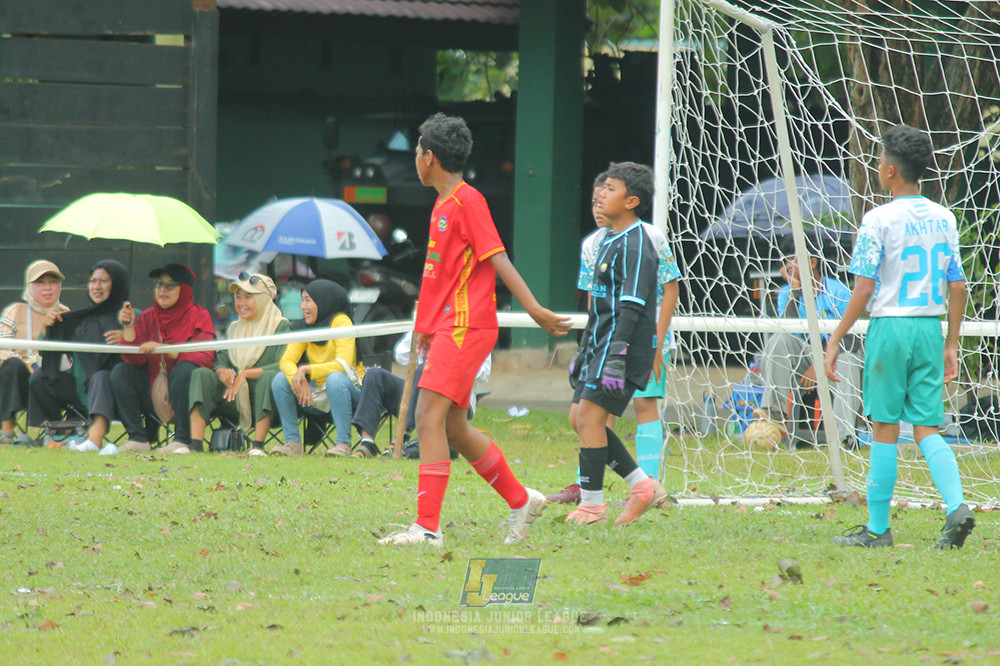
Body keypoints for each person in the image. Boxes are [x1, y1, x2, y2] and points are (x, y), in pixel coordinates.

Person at [377, 113, 571, 546]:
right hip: (447, 326)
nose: (414, 159)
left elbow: (498, 259)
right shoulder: (443, 203)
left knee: (427, 417)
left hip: (465, 327)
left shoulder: (468, 200)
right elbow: (442, 276)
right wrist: (426, 326)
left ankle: (427, 529)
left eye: (416, 152)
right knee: (454, 428)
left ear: (429, 157)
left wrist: (535, 309)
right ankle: (522, 500)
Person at [824, 124, 974, 549]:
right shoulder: (944, 218)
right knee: (927, 425)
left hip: (890, 328)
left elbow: (865, 287)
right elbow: (958, 287)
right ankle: (957, 506)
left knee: (885, 425)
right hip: (929, 327)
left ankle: (876, 529)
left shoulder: (877, 220)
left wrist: (836, 337)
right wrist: (951, 344)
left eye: (877, 161)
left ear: (889, 170)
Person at [565, 162, 666, 527]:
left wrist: (617, 355)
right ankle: (642, 487)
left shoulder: (639, 243)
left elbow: (634, 305)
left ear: (631, 201)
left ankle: (592, 506)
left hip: (621, 350)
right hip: (602, 346)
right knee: (580, 417)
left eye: (610, 188)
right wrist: (584, 349)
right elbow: (599, 306)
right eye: (600, 188)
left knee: (591, 417)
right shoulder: (607, 241)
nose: (600, 193)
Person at [753, 232, 862, 449]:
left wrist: (821, 362)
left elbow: (853, 340)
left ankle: (845, 440)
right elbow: (788, 330)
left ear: (812, 261)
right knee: (779, 340)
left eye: (793, 259)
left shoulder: (838, 291)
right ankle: (775, 414)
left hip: (837, 359)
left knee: (849, 361)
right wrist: (795, 290)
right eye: (786, 260)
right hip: (802, 358)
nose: (788, 265)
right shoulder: (786, 292)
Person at [111, 264, 216, 452]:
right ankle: (138, 438)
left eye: (170, 285)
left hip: (186, 396)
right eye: (159, 284)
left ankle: (182, 440)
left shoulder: (199, 315)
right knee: (121, 371)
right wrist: (128, 327)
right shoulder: (147, 316)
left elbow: (206, 357)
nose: (162, 290)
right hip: (154, 392)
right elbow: (133, 361)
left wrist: (167, 350)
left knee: (184, 370)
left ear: (184, 289)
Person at [185, 272, 290, 456]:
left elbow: (284, 365)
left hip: (267, 400)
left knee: (269, 377)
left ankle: (257, 446)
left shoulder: (281, 327)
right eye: (238, 297)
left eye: (248, 297)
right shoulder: (234, 328)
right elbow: (221, 358)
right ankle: (195, 444)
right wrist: (221, 370)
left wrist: (245, 374)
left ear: (264, 299)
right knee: (201, 374)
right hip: (233, 398)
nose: (241, 303)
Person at [32, 260, 130, 454]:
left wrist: (127, 338)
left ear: (117, 284)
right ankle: (55, 432)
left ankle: (93, 439)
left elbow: (144, 351)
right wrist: (48, 327)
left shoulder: (131, 316)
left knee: (101, 377)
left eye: (104, 281)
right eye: (93, 281)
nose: (96, 286)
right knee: (40, 377)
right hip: (78, 391)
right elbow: (46, 350)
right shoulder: (79, 318)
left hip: (115, 393)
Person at [350, 330, 490, 459]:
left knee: (426, 368)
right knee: (375, 375)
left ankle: (402, 437)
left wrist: (448, 362)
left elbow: (484, 372)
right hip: (416, 394)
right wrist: (420, 332)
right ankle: (367, 443)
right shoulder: (430, 322)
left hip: (453, 397)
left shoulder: (471, 327)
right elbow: (400, 355)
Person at [269, 279, 365, 457]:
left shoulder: (342, 322)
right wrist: (300, 380)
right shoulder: (306, 326)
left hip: (351, 394)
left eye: (308, 300)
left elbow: (343, 365)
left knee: (335, 378)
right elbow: (286, 361)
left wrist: (307, 370)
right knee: (280, 380)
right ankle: (293, 444)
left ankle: (343, 444)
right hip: (318, 394)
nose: (302, 306)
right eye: (302, 300)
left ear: (324, 301)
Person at [0, 260, 69, 445]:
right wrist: (28, 365)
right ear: (30, 287)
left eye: (53, 282)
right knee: (12, 365)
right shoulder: (15, 311)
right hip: (19, 379)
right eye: (40, 282)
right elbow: (2, 349)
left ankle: (48, 437)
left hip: (52, 379)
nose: (47, 288)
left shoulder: (66, 314)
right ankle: (6, 431)